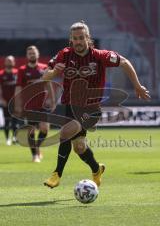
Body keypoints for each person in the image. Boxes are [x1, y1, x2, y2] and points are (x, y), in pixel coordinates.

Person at [43, 21, 150, 188]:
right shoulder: (64, 54)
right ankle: (96, 169)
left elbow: (124, 62)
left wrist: (137, 85)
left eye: (81, 38)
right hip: (69, 107)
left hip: (91, 109)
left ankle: (56, 174)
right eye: (75, 38)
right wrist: (53, 72)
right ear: (71, 39)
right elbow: (44, 77)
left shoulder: (100, 55)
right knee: (79, 147)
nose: (78, 41)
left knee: (65, 132)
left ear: (88, 38)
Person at [15, 45, 50, 162]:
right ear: (27, 55)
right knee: (31, 130)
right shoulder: (22, 70)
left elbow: (48, 85)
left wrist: (53, 99)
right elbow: (18, 87)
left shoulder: (44, 68)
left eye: (34, 53)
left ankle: (37, 146)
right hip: (28, 105)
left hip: (43, 104)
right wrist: (17, 104)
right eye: (30, 53)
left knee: (44, 129)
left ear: (38, 54)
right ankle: (35, 155)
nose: (32, 55)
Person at [0, 56, 18, 146]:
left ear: (14, 62)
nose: (9, 63)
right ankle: (8, 139)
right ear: (5, 63)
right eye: (8, 61)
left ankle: (15, 138)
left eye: (11, 61)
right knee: (7, 121)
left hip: (15, 101)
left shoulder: (17, 73)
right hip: (5, 102)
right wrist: (1, 99)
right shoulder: (1, 74)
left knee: (15, 121)